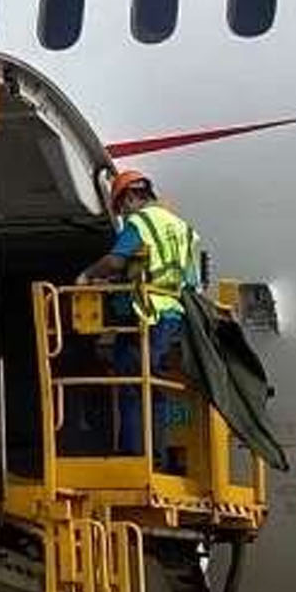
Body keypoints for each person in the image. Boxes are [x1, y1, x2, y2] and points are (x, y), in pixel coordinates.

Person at [77, 169, 200, 465]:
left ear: (131, 197)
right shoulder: (184, 229)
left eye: (121, 207)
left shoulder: (141, 223)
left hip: (146, 317)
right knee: (153, 384)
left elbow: (116, 259)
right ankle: (155, 454)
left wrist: (87, 275)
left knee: (133, 381)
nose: (123, 214)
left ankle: (135, 454)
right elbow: (190, 280)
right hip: (172, 316)